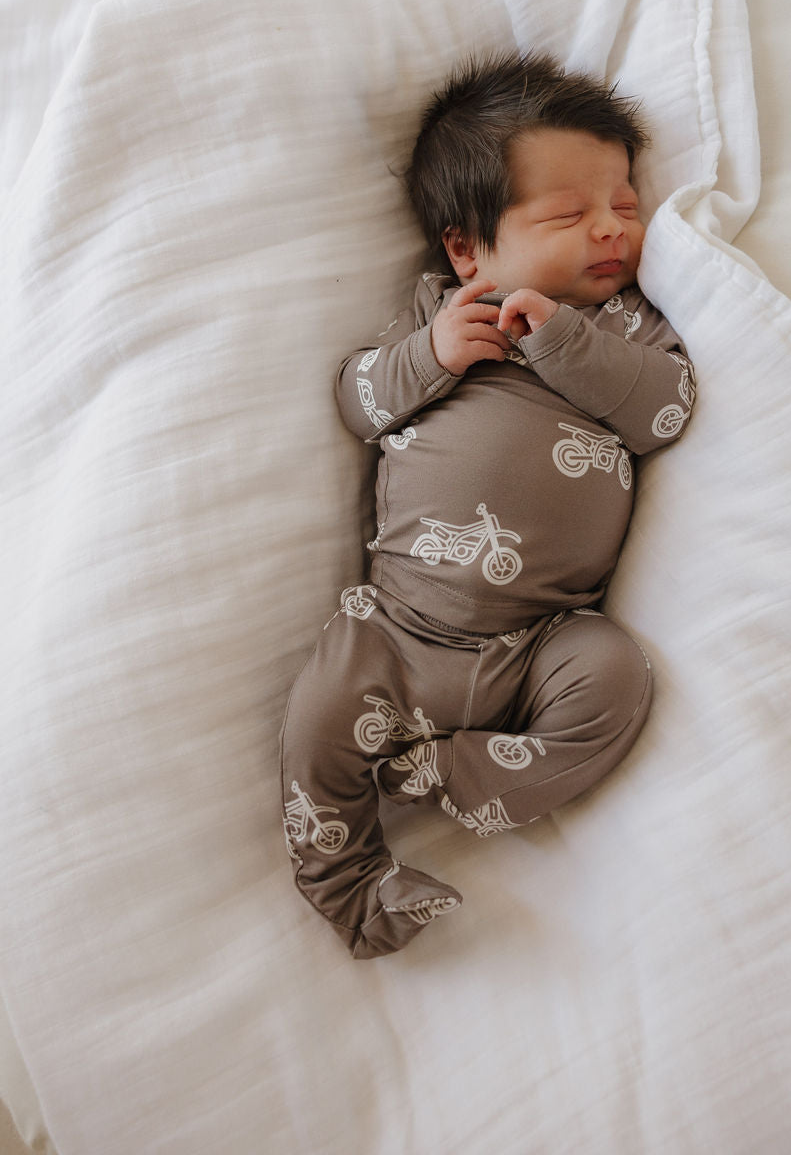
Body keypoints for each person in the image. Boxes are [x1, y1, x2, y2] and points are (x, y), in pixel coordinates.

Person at [280, 49, 696, 959]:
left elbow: (665, 411)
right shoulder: (442, 313)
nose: (611, 230)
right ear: (468, 248)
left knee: (618, 678)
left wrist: (569, 344)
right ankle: (351, 888)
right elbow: (357, 400)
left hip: (541, 643)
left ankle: (459, 775)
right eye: (569, 215)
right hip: (396, 634)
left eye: (625, 205)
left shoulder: (627, 325)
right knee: (316, 718)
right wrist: (428, 356)